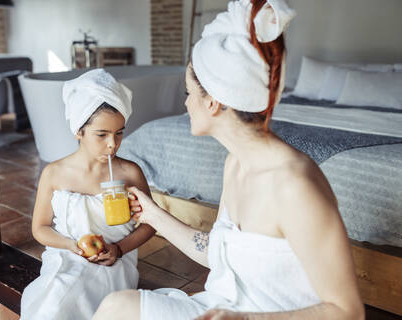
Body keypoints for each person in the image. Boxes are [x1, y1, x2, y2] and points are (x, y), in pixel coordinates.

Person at [93, 1, 364, 319]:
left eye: (188, 94)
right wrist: (153, 215)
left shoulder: (295, 186)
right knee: (116, 306)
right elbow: (221, 253)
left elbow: (348, 311)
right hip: (220, 308)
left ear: (213, 103)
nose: (186, 105)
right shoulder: (236, 164)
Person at [20, 69, 156, 320]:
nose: (112, 144)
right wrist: (71, 245)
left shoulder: (129, 172)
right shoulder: (54, 173)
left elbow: (150, 226)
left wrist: (119, 249)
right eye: (102, 135)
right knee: (55, 299)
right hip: (66, 256)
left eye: (119, 133)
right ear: (78, 131)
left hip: (113, 262)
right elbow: (40, 228)